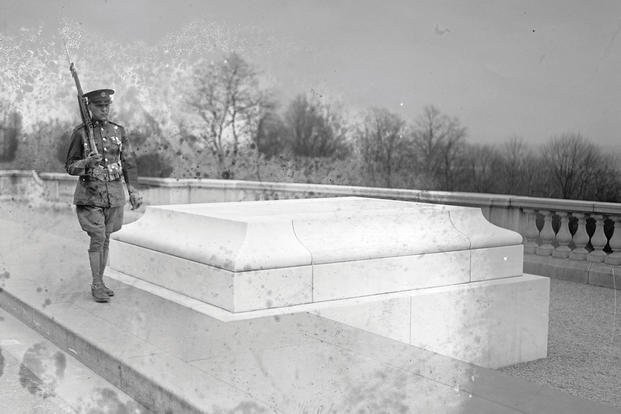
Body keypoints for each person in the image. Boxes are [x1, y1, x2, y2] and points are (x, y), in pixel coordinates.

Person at [65, 88, 142, 303]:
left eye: (107, 105)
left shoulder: (119, 131)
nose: (104, 109)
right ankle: (96, 284)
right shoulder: (80, 133)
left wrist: (134, 191)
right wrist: (86, 163)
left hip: (114, 194)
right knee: (98, 237)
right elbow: (69, 166)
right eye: (99, 106)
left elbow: (129, 163)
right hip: (90, 195)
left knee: (106, 238)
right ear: (89, 107)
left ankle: (100, 280)